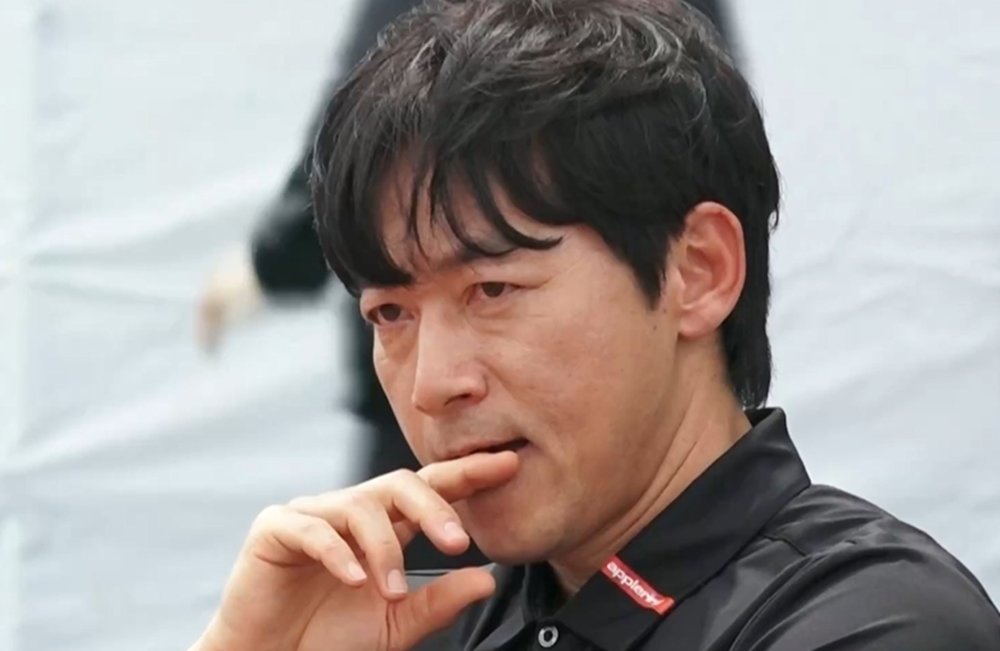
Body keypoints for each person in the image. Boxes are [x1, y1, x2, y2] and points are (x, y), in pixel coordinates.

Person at [189, 0, 1000, 649]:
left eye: (493, 289)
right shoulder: (431, 616)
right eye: (389, 312)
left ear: (698, 271)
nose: (432, 384)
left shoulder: (867, 620)